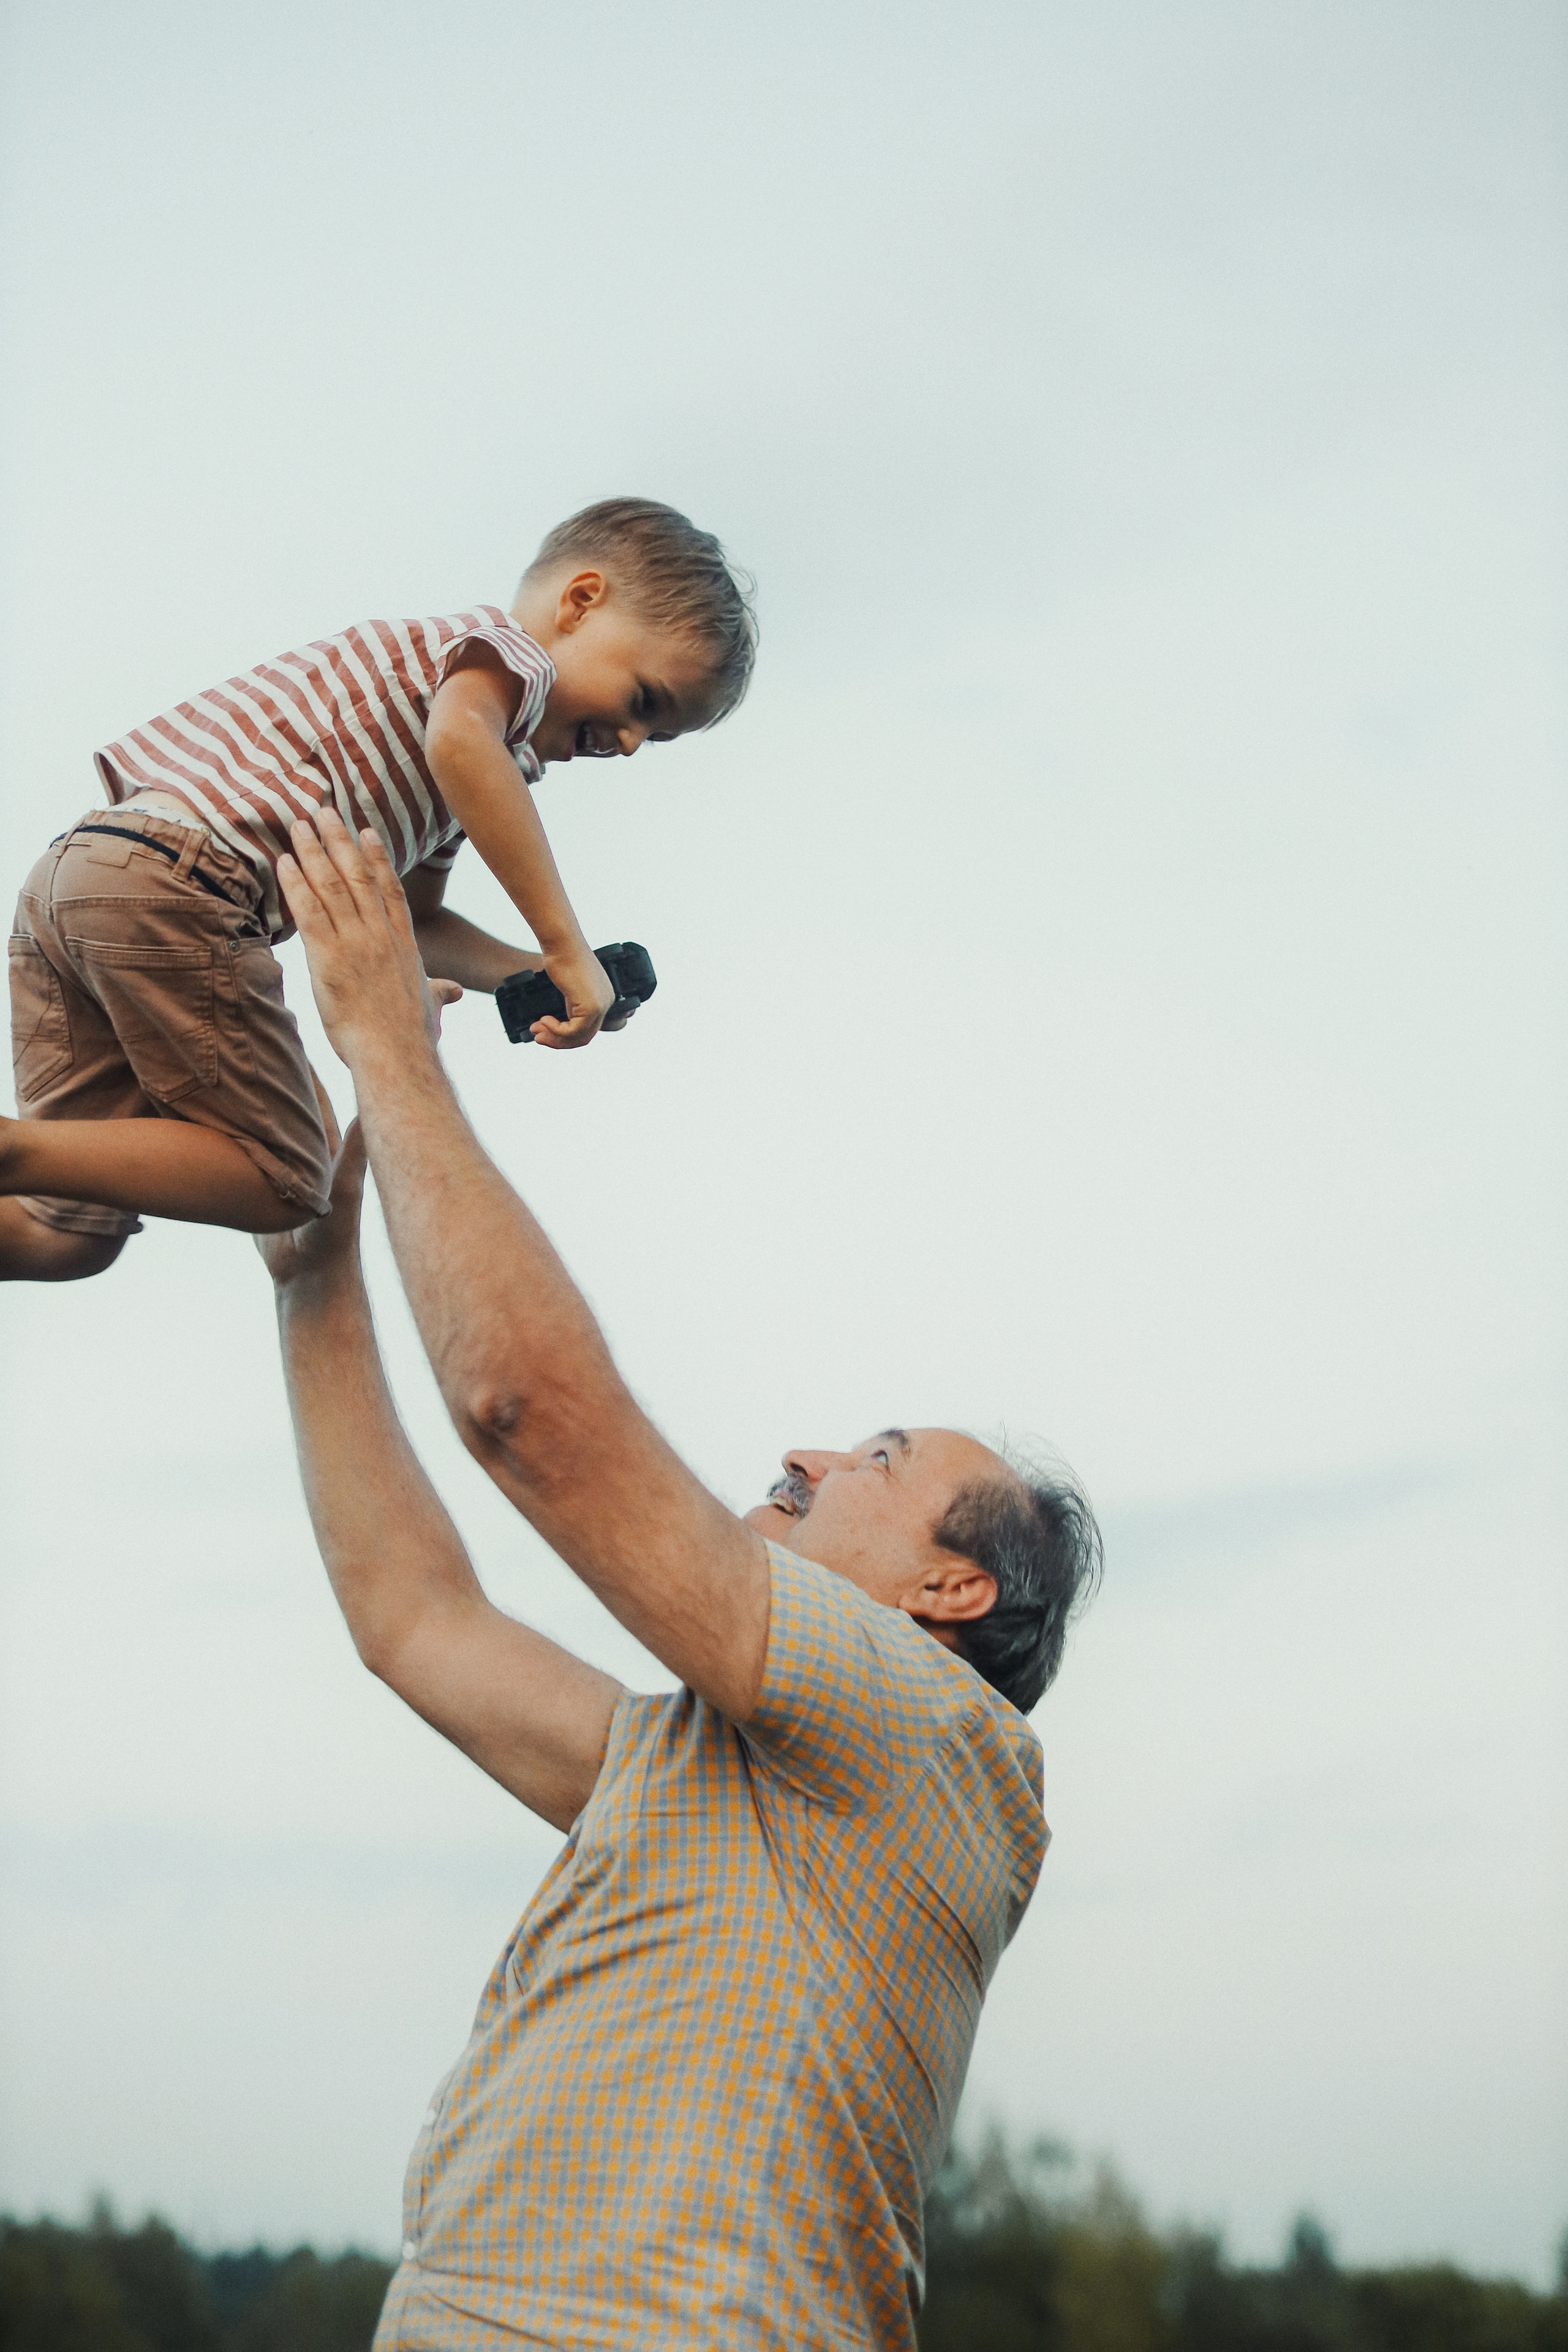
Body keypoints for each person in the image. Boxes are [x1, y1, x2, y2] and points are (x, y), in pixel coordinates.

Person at [257, 812, 1102, 2352]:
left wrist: (394, 1044)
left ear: (947, 1593)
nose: (810, 1451)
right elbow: (413, 1617)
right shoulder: (726, 1759)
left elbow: (525, 1407)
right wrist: (316, 1264)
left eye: (878, 1455)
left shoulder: (925, 1738)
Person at [1, 497, 755, 1284]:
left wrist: (545, 971)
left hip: (82, 876)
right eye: (643, 701)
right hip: (180, 886)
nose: (631, 744)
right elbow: (463, 743)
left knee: (65, 1232)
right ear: (579, 602)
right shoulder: (504, 664)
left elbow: (419, 921)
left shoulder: (466, 763)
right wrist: (567, 941)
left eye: (656, 738)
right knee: (286, 1176)